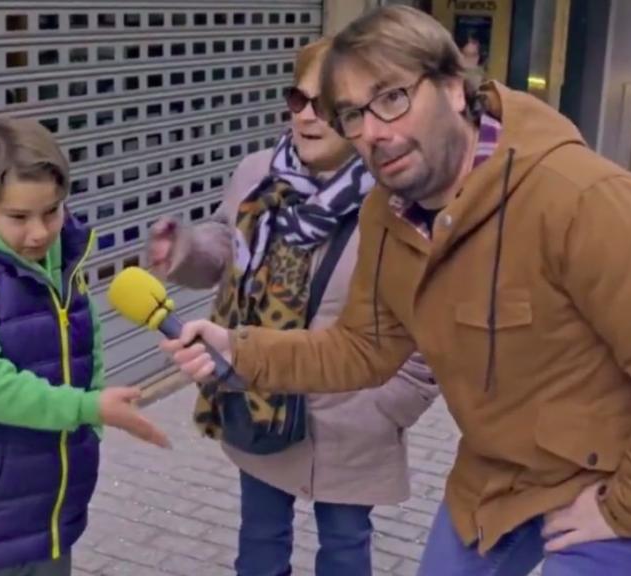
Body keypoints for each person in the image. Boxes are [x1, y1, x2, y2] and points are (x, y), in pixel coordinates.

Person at [160, 6, 631, 576]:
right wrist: (241, 350)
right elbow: (364, 347)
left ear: (452, 88)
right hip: (497, 476)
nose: (373, 131)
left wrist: (627, 509)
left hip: (615, 472)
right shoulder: (387, 211)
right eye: (352, 114)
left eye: (392, 98)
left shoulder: (587, 200)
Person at [147, 38, 438, 576]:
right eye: (297, 99)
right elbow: (225, 246)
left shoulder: (400, 197)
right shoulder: (259, 172)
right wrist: (185, 249)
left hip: (353, 409)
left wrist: (391, 404)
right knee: (259, 537)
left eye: (325, 104)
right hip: (263, 394)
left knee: (346, 546)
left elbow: (431, 324)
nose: (307, 116)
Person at [0, 118, 169, 576]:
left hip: (44, 511)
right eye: (18, 218)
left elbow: (89, 340)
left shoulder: (60, 256)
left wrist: (90, 424)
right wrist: (89, 409)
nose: (41, 233)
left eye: (52, 211)